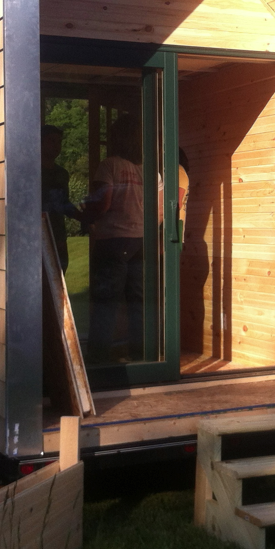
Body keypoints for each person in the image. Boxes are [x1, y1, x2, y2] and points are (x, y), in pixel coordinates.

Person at [84, 114, 161, 363]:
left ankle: (98, 362)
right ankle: (141, 355)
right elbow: (159, 212)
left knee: (106, 302)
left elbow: (102, 203)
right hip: (140, 242)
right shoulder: (151, 171)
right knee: (138, 302)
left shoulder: (110, 166)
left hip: (113, 241)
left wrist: (88, 216)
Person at [41, 124, 83, 271]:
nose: (56, 146)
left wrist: (83, 217)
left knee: (59, 275)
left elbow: (64, 203)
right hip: (37, 234)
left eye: (59, 142)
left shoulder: (62, 174)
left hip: (58, 234)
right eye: (51, 141)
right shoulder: (32, 172)